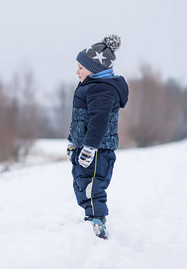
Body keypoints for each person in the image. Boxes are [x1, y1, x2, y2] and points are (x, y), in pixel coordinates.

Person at [67, 35, 129, 239]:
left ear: (94, 69)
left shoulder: (101, 89)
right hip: (85, 148)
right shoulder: (91, 87)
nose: (77, 71)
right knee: (81, 183)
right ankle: (92, 217)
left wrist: (90, 147)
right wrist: (72, 143)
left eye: (81, 68)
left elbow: (98, 122)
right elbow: (79, 120)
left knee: (92, 186)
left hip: (97, 151)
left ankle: (97, 222)